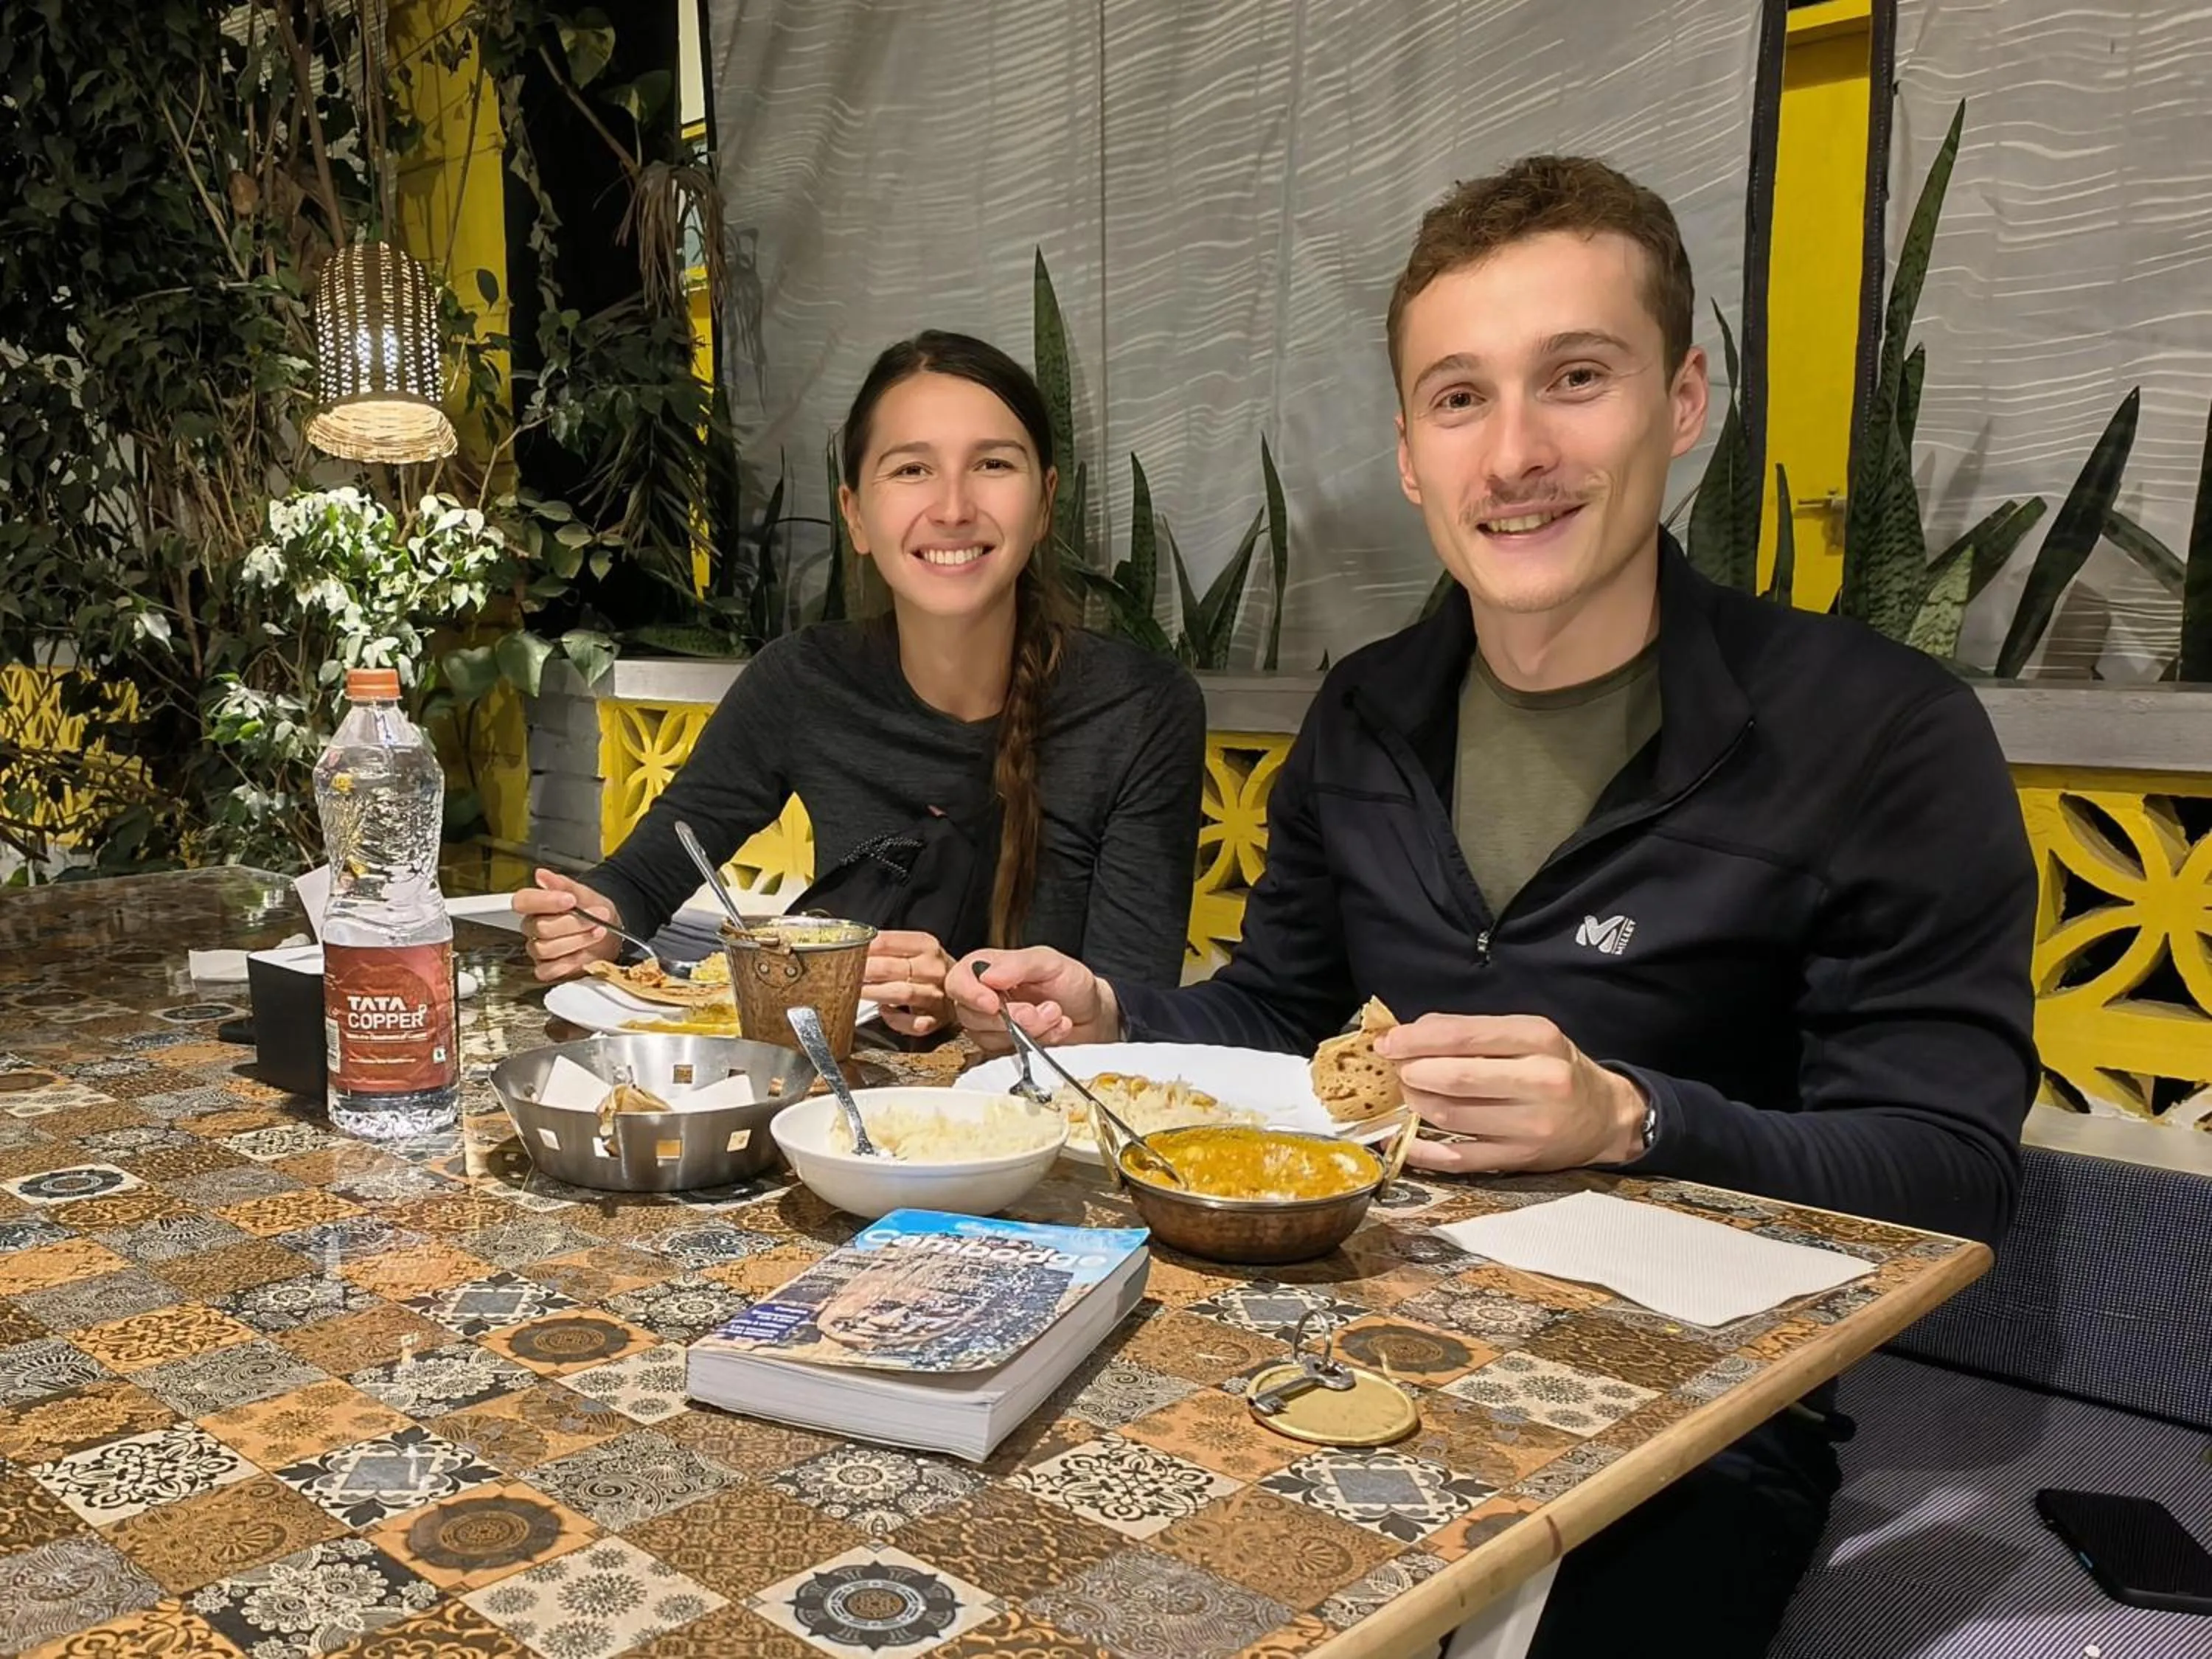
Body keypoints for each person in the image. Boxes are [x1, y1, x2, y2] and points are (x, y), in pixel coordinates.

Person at [947, 156, 2037, 1656]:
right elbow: (1283, 1012)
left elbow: (1957, 1180)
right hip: (1332, 1332)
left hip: (1682, 1422)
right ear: (1410, 451)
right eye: (1461, 397)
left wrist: (1639, 1120)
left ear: (1684, 400)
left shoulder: (1878, 734)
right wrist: (1119, 1012)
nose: (1515, 450)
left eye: (1575, 377)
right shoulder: (1369, 709)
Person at [517, 331, 1207, 1037]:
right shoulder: (803, 682)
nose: (952, 507)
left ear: (1045, 504)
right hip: (829, 1092)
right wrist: (593, 921)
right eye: (911, 470)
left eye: (994, 464)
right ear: (856, 515)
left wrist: (966, 999)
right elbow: (641, 881)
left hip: (1044, 1116)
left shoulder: (1141, 709)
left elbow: (1132, 1011)